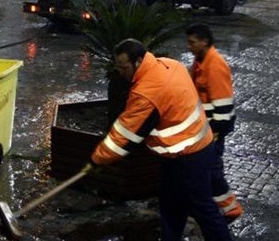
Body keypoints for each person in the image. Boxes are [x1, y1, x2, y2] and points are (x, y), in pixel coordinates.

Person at [90, 39, 232, 241]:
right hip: (188, 152)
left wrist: (96, 160)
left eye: (124, 67)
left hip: (189, 158)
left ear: (138, 62)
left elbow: (124, 136)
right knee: (172, 205)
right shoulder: (170, 64)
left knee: (202, 209)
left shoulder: (146, 92)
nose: (121, 72)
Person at [186, 23, 243, 223]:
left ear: (205, 41)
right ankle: (219, 208)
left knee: (211, 171)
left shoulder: (214, 65)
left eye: (193, 42)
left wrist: (214, 133)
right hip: (206, 128)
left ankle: (230, 209)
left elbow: (223, 108)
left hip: (213, 129)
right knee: (208, 170)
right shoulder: (200, 61)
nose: (189, 46)